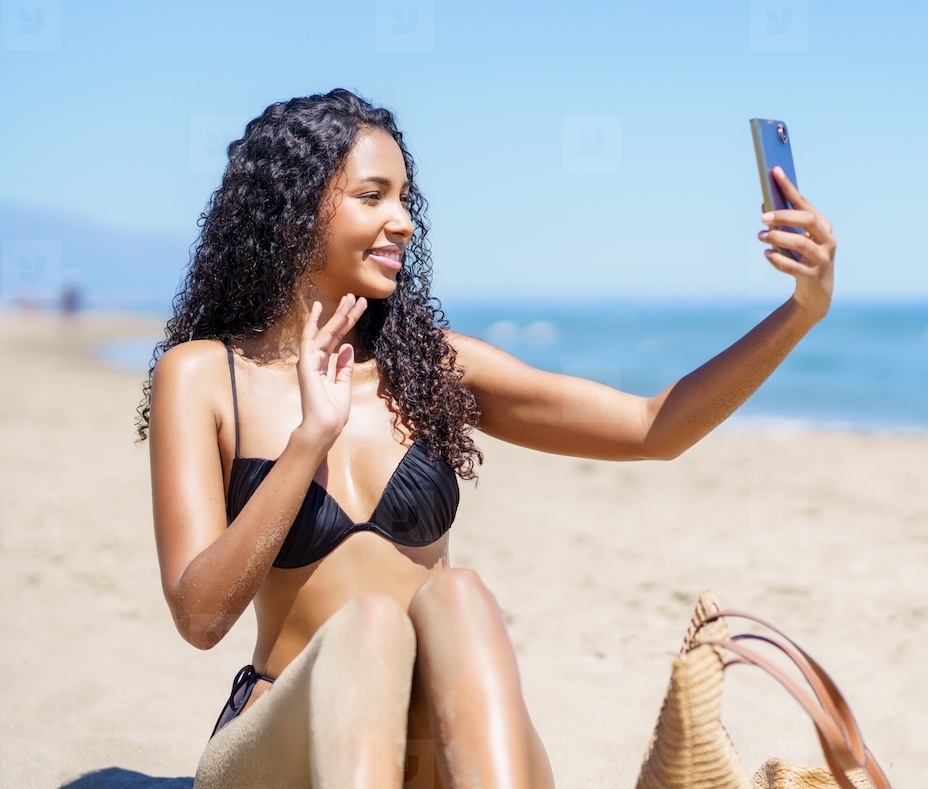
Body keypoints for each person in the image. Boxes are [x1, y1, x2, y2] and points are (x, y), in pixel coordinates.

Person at [137, 88, 836, 789]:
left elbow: (654, 427)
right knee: (371, 627)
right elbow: (201, 615)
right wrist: (307, 442)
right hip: (285, 743)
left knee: (455, 595)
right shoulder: (203, 378)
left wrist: (799, 314)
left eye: (405, 199)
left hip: (438, 754)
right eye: (373, 196)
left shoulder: (433, 367)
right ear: (295, 207)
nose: (404, 222)